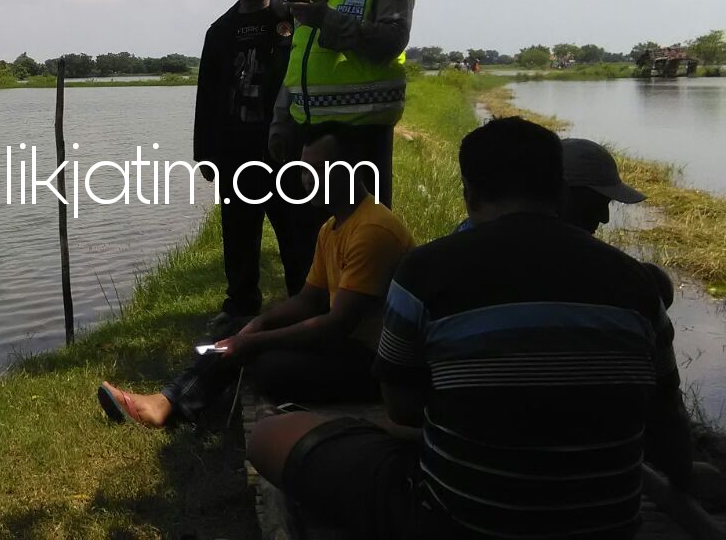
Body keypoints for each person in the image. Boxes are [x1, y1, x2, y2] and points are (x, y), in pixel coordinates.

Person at [247, 117, 694, 539]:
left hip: (458, 521)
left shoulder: (425, 270)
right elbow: (665, 414)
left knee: (270, 434)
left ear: (468, 191)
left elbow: (401, 407)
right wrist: (686, 477)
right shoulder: (637, 283)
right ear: (560, 190)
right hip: (604, 528)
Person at [98, 124, 413, 427]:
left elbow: (336, 324)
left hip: (375, 363)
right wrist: (258, 325)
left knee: (265, 366)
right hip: (347, 347)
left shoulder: (372, 229)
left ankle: (173, 402)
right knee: (235, 329)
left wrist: (255, 342)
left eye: (319, 169)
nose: (306, 179)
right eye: (303, 170)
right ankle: (168, 402)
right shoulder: (330, 229)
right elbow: (309, 299)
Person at [194, 0, 320, 339]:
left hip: (287, 150)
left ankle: (304, 299)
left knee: (298, 231)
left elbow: (311, 78)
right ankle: (240, 306)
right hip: (236, 152)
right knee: (238, 232)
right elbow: (207, 96)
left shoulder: (296, 21)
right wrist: (206, 154)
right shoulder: (220, 31)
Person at [269, 0, 415, 208]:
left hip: (362, 136)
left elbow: (392, 40)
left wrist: (326, 19)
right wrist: (280, 120)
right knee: (314, 242)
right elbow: (298, 62)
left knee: (363, 237)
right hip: (308, 136)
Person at [561, 137, 675, 307]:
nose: (605, 219)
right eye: (594, 204)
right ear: (560, 195)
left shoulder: (511, 257)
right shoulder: (620, 276)